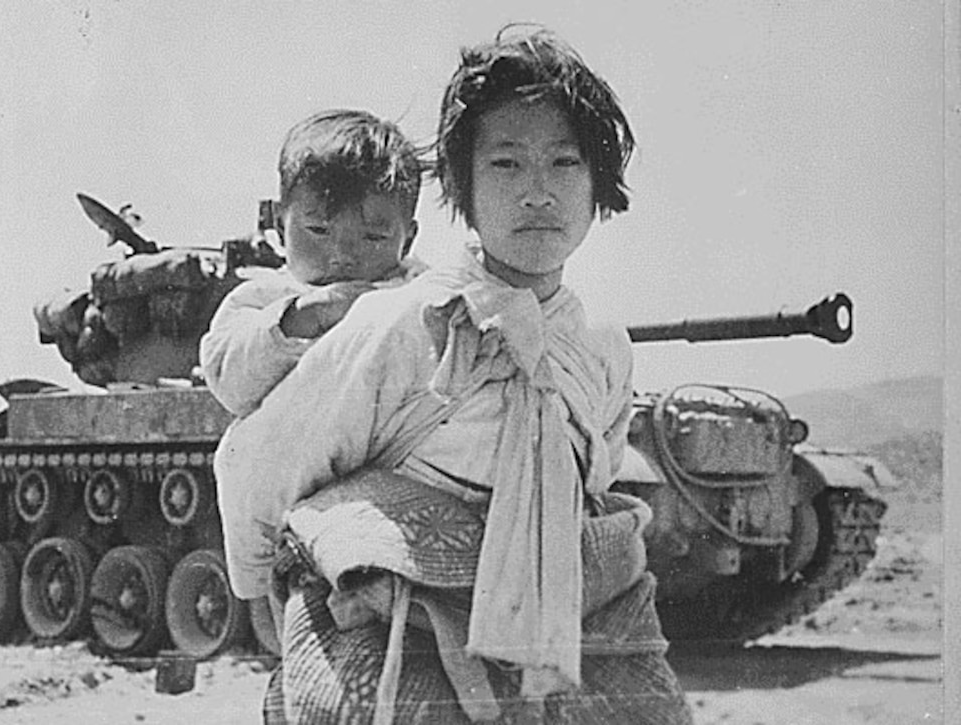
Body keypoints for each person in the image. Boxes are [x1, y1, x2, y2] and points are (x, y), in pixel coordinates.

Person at [218, 26, 692, 723]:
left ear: (599, 187)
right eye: (505, 165)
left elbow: (591, 483)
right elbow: (263, 461)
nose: (537, 193)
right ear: (463, 188)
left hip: (559, 644)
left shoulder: (602, 347)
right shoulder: (401, 325)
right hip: (401, 644)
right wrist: (262, 596)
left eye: (564, 163)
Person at [199, 108, 424, 419]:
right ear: (279, 224)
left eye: (373, 237)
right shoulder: (262, 300)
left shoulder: (419, 297)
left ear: (407, 240)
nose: (343, 256)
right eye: (319, 230)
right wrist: (300, 319)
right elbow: (228, 381)